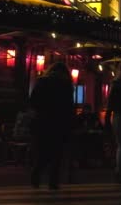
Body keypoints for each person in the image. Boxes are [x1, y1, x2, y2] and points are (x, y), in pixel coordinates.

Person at [29, 62, 74, 190]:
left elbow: (33, 101)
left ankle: (36, 174)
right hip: (60, 121)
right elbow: (69, 106)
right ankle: (53, 181)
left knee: (43, 151)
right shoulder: (66, 84)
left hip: (43, 121)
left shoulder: (42, 82)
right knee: (57, 153)